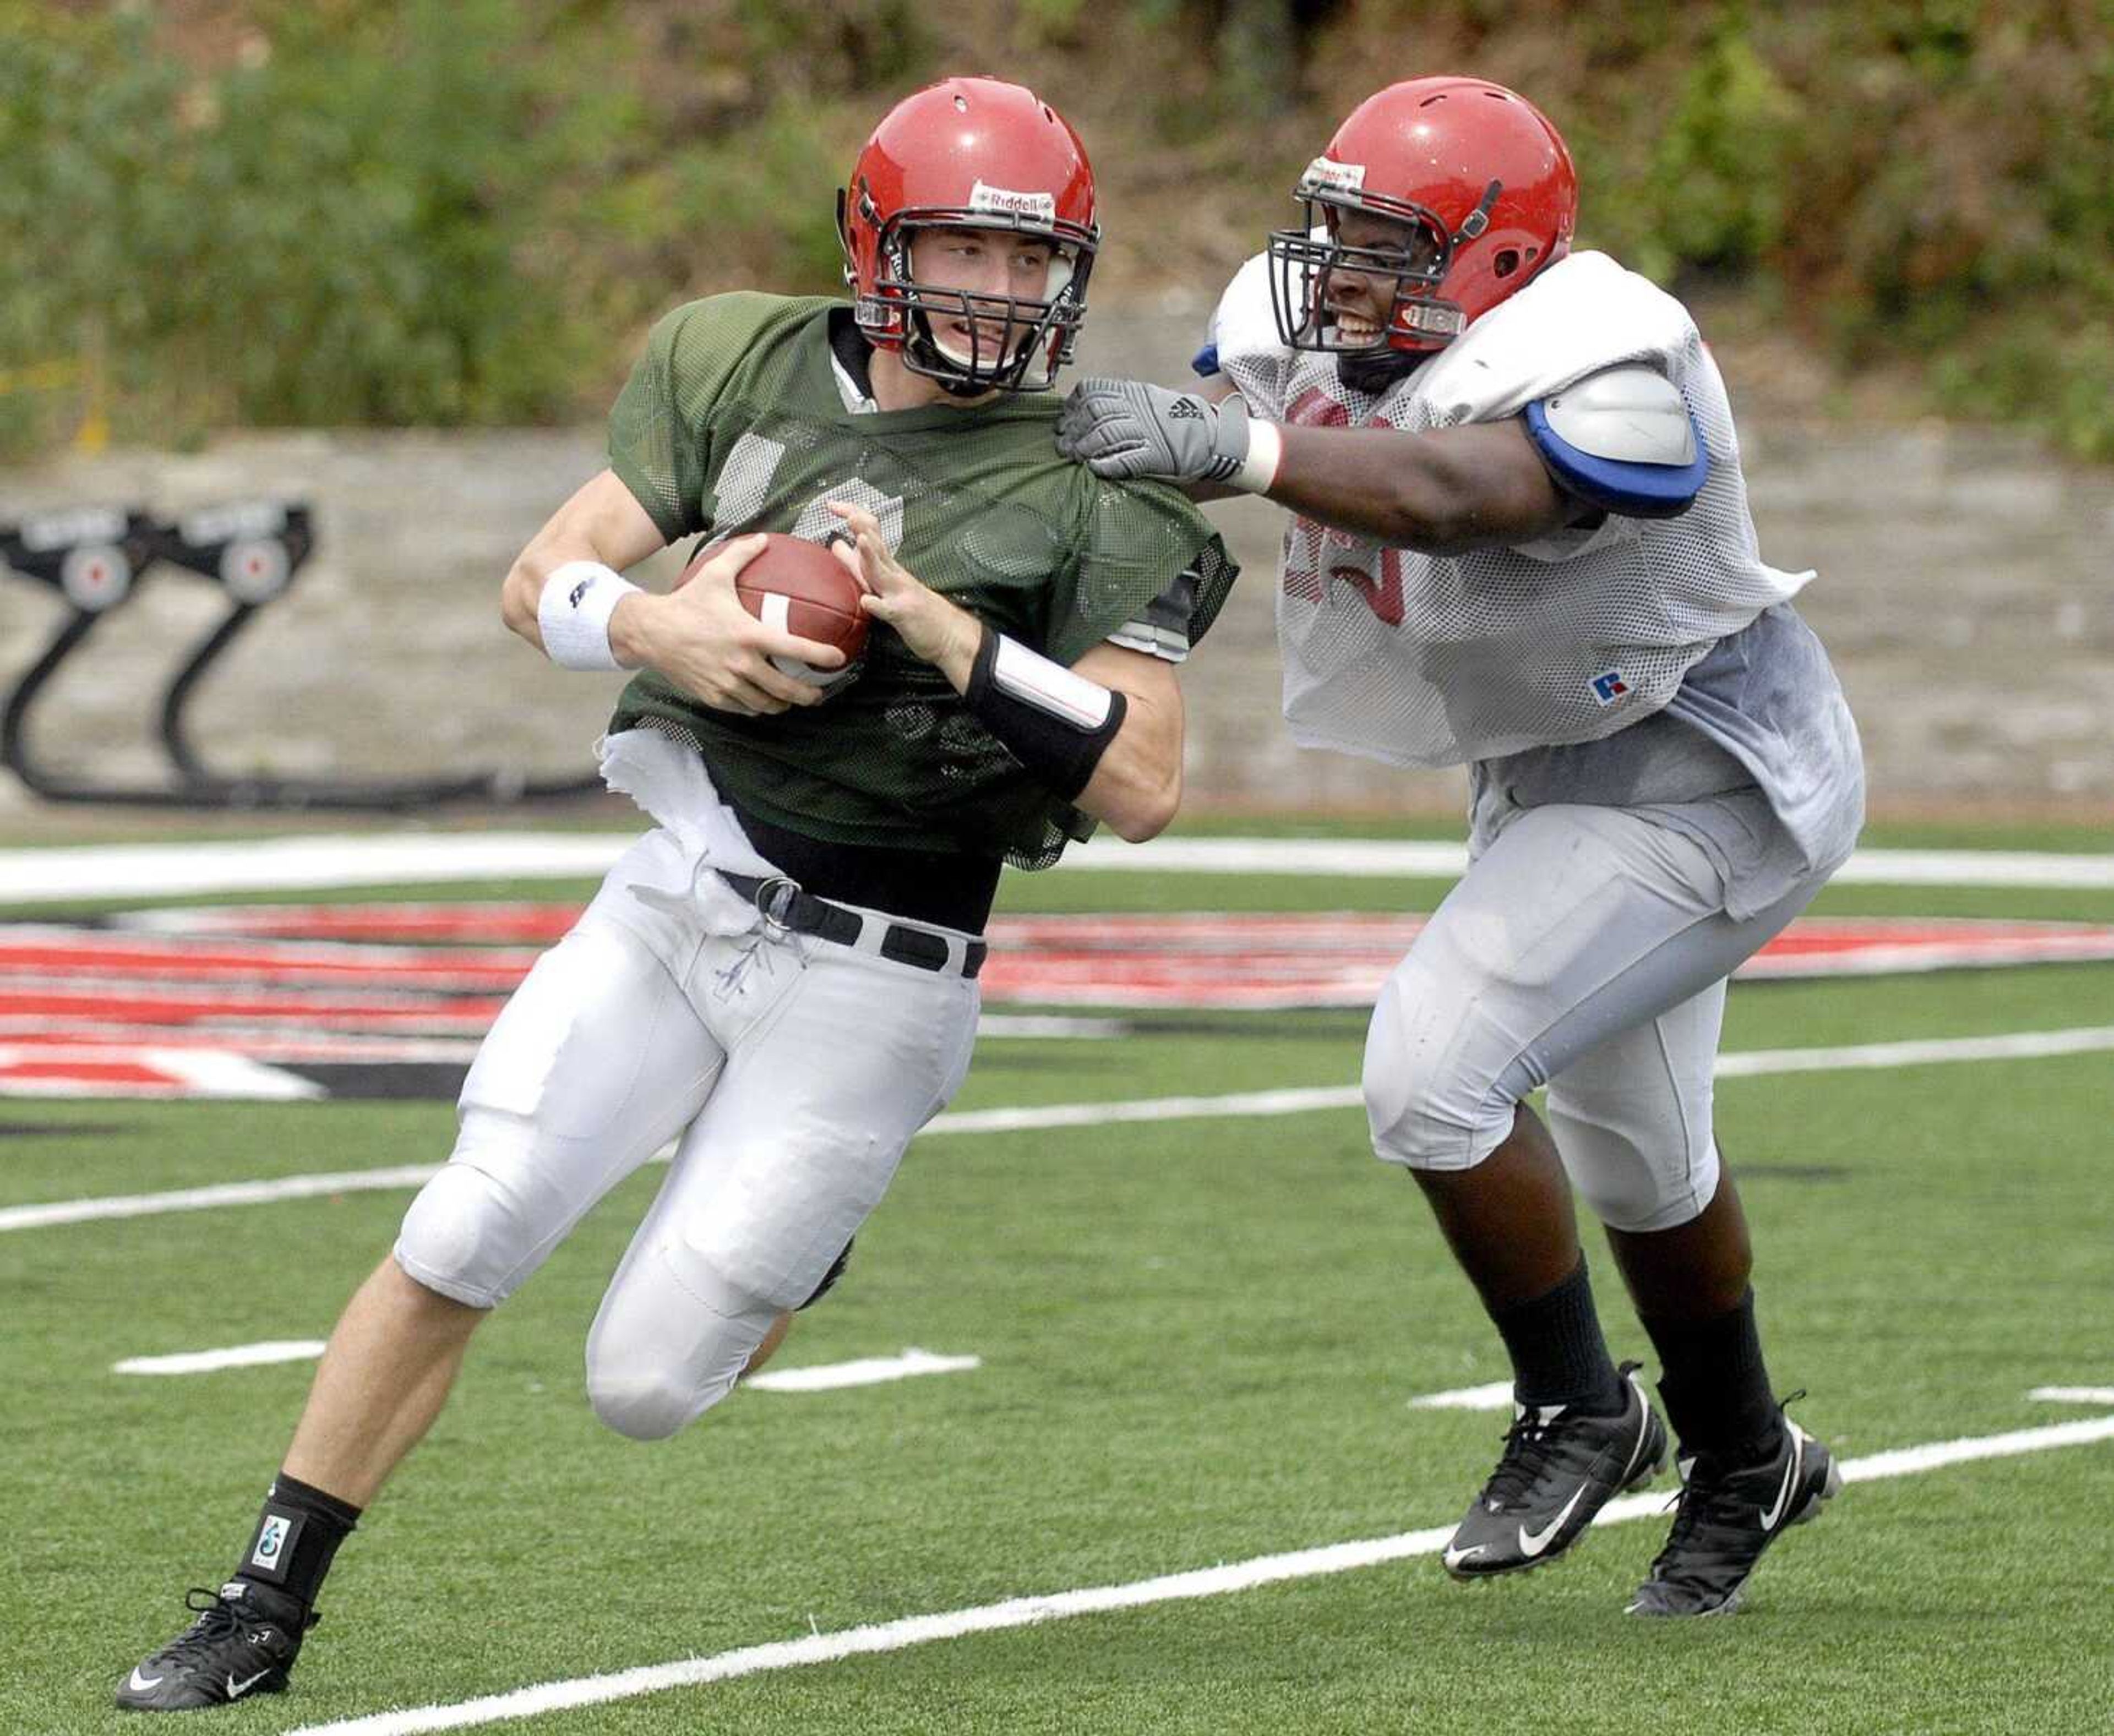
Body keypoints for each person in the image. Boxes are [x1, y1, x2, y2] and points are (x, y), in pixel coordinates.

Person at [117, 75, 1234, 1711]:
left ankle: (803, 1246)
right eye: (961, 253)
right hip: (688, 880)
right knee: (469, 1217)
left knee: (643, 1384)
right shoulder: (739, 354)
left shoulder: (1096, 472)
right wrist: (662, 629)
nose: (998, 295)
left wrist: (940, 630)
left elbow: (1143, 784)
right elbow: (542, 579)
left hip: (887, 966)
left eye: (1029, 261)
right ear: (874, 242)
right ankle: (260, 1604)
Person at [1057, 75, 1861, 1617]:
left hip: (1713, 766)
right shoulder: (1304, 330)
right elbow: (1207, 445)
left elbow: (1459, 492)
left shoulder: (1609, 352)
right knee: (1640, 1149)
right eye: (1339, 233)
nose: (1346, 273)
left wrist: (1234, 452)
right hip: (1551, 761)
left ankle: (1581, 1405)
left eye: (1393, 243)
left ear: (1501, 260)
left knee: (1431, 1070)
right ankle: (1750, 1454)